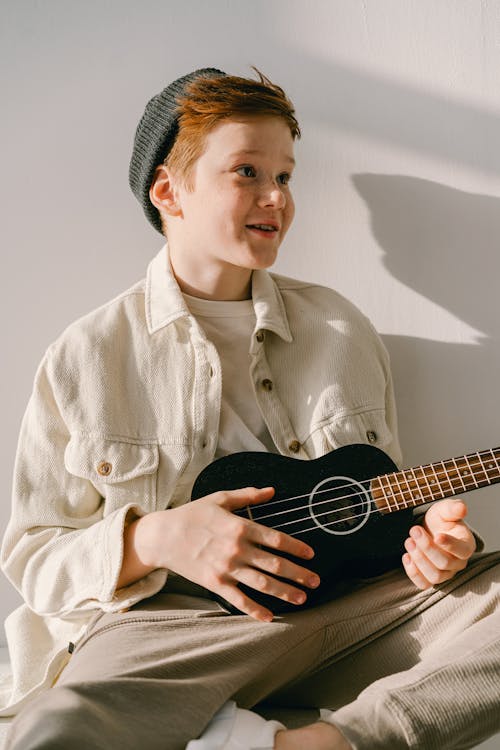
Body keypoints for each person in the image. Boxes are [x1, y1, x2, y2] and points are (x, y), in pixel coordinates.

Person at [0, 66, 498, 750]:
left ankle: (327, 744)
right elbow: (33, 555)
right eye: (246, 172)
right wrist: (157, 538)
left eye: (286, 176)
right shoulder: (86, 356)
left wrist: (435, 548)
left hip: (355, 613)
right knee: (56, 733)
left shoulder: (341, 329)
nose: (276, 198)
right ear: (168, 190)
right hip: (171, 630)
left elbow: (375, 508)